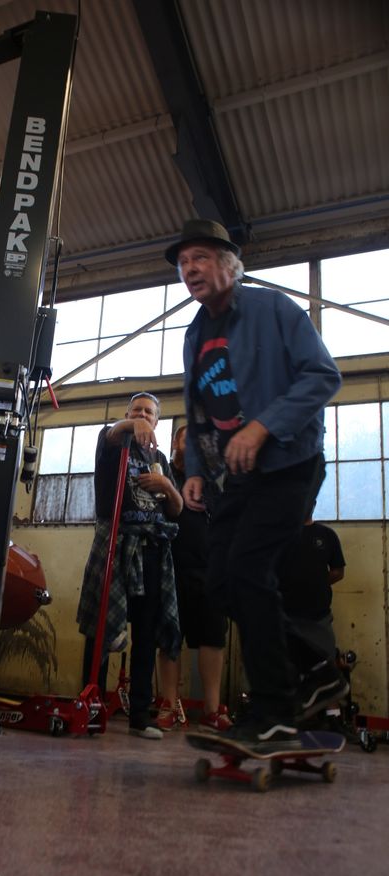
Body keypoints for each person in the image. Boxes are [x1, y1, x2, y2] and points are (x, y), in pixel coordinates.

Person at [165, 218, 342, 751]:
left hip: (289, 463)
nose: (190, 269)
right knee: (220, 584)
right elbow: (199, 412)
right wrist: (197, 469)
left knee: (247, 569)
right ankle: (314, 670)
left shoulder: (273, 309)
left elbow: (323, 375)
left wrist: (264, 426)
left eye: (200, 257)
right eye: (183, 263)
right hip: (234, 478)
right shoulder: (195, 334)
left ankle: (275, 710)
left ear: (229, 264)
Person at [77, 392, 183, 739]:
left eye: (149, 412)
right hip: (116, 546)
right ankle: (90, 706)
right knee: (101, 628)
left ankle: (139, 715)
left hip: (151, 550)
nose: (142, 415)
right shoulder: (112, 441)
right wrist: (129, 425)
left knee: (146, 633)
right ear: (126, 414)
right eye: (136, 410)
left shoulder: (160, 459)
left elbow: (176, 510)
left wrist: (167, 486)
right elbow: (112, 432)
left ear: (157, 421)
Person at [156, 424, 231, 732]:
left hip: (209, 572)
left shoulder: (211, 485)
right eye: (189, 440)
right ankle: (169, 705)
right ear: (176, 442)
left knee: (213, 638)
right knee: (170, 639)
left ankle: (212, 711)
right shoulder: (163, 474)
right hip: (170, 570)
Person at [279, 506, 346, 718]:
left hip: (319, 617)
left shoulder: (327, 535)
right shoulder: (281, 536)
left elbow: (338, 571)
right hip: (285, 617)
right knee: (286, 671)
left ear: (314, 503)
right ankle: (287, 720)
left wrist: (317, 583)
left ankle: (333, 719)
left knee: (326, 670)